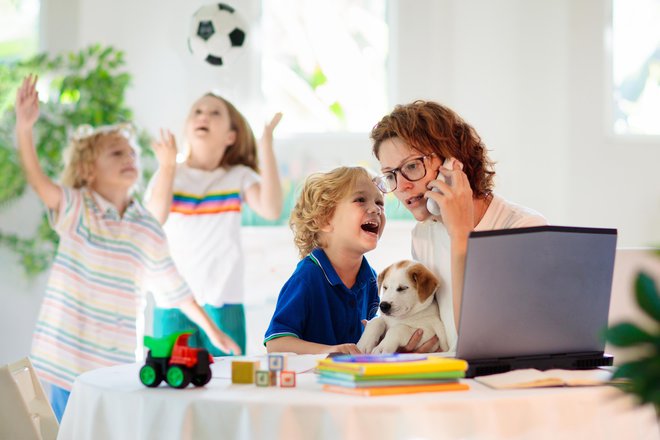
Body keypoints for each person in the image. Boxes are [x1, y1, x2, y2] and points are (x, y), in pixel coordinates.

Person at [14, 76, 240, 422]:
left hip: (112, 369)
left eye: (132, 152)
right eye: (117, 152)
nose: (130, 157)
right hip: (60, 362)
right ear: (89, 170)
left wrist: (213, 331)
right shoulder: (78, 209)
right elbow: (38, 181)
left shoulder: (146, 226)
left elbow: (176, 290)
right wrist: (24, 127)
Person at [370, 100, 547, 351]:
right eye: (390, 175)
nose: (401, 186)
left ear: (453, 163)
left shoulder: (525, 228)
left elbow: (483, 344)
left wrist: (461, 236)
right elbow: (445, 335)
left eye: (411, 166)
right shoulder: (424, 235)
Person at [145, 93, 283, 356]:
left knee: (227, 385)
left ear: (230, 136)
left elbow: (271, 208)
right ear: (187, 127)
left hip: (224, 302)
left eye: (214, 112)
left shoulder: (238, 177)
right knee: (172, 385)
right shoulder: (169, 174)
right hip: (172, 302)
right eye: (197, 111)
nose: (203, 115)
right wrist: (167, 168)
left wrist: (266, 146)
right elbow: (154, 220)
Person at [264, 166, 385, 354]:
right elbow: (276, 343)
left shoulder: (370, 278)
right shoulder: (307, 278)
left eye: (380, 202)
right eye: (360, 200)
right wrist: (330, 350)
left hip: (353, 378)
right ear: (325, 220)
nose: (376, 209)